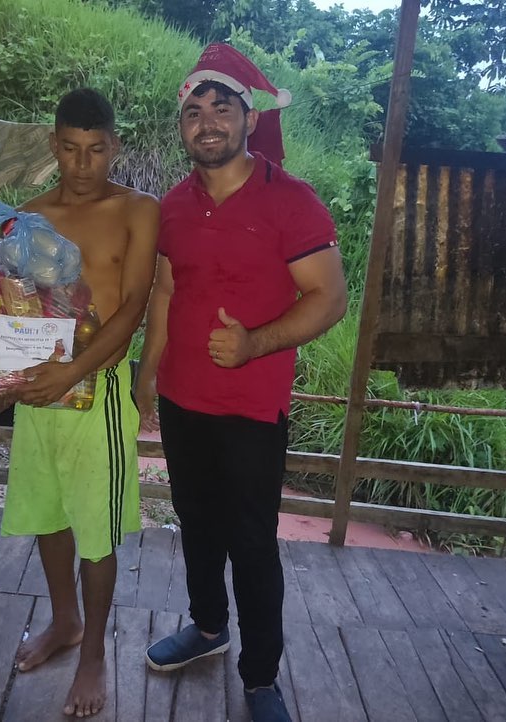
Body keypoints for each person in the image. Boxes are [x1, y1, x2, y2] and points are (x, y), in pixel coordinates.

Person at [134, 44, 347, 722]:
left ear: (248, 118)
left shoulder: (291, 201)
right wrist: (147, 372)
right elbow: (165, 291)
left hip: (252, 408)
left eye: (221, 108)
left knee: (252, 543)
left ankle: (259, 677)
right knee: (196, 523)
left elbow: (329, 298)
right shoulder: (172, 205)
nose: (207, 122)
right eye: (193, 111)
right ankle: (207, 626)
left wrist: (255, 342)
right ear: (182, 127)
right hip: (182, 399)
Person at [0, 88, 159, 718]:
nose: (83, 164)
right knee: (48, 511)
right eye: (70, 149)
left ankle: (93, 654)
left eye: (95, 149)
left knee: (96, 526)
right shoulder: (29, 215)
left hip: (99, 391)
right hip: (41, 389)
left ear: (113, 146)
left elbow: (133, 307)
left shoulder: (138, 210)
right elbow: (10, 307)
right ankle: (64, 622)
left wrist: (74, 372)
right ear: (54, 145)